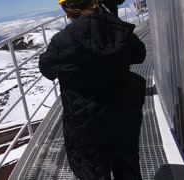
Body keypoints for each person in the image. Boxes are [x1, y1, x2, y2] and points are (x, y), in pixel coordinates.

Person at [39, 0, 146, 179]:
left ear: (68, 10)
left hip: (85, 118)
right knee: (127, 166)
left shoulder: (63, 40)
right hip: (124, 112)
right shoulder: (118, 30)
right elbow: (139, 55)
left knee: (92, 171)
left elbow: (47, 69)